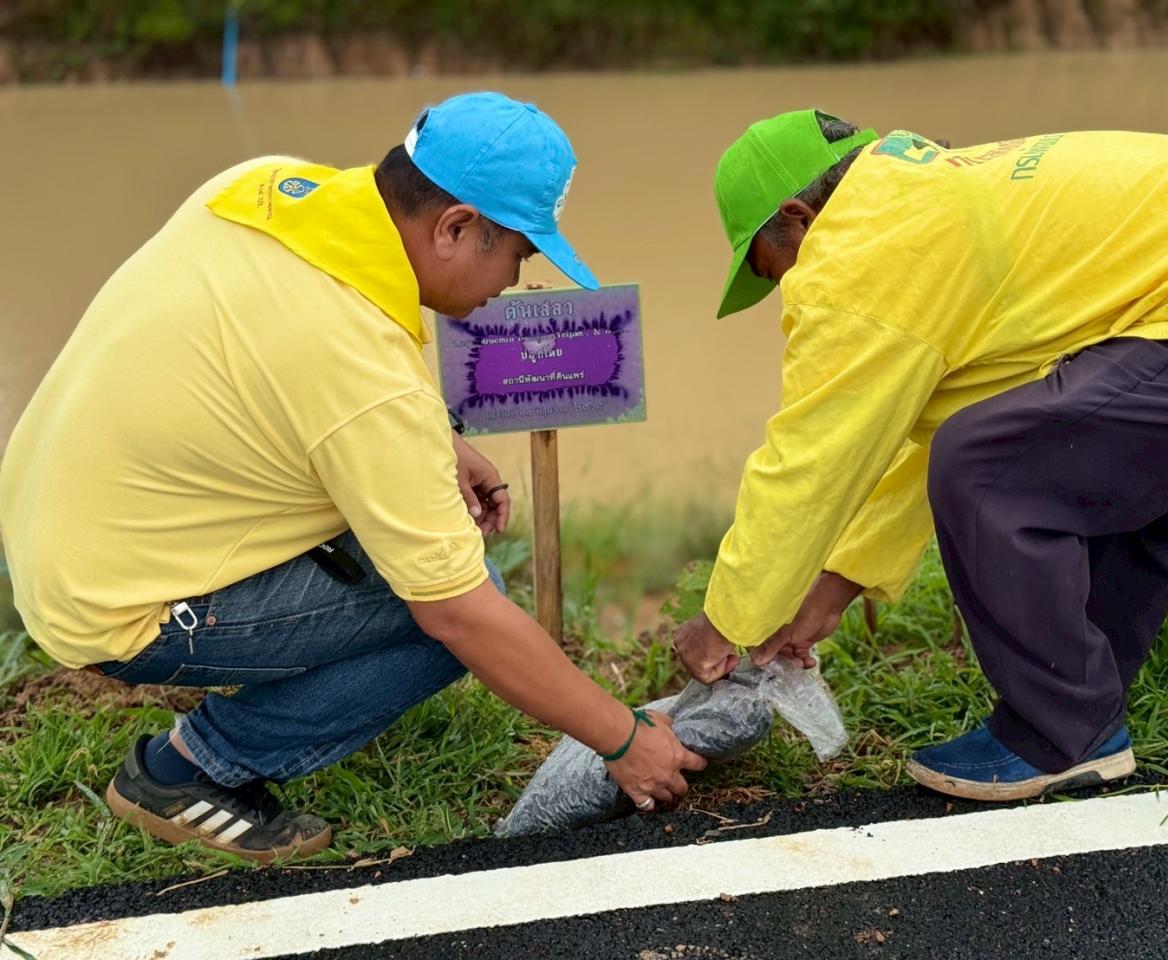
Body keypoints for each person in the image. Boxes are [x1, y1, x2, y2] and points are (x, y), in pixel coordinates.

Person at [0, 91, 704, 862]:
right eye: (519, 252)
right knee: (457, 614)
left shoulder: (266, 189)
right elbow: (459, 616)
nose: (514, 276)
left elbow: (291, 367)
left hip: (55, 526)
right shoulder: (365, 376)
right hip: (119, 603)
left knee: (433, 566)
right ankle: (192, 770)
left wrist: (435, 441)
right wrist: (623, 738)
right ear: (456, 226)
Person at [673, 109, 1168, 800]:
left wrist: (727, 619)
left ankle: (1060, 733)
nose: (788, 289)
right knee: (1096, 458)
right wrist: (834, 583)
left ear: (800, 217)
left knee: (988, 470)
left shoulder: (861, 248)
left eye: (772, 267)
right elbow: (932, 426)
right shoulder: (926, 207)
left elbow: (808, 460)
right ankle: (1086, 707)